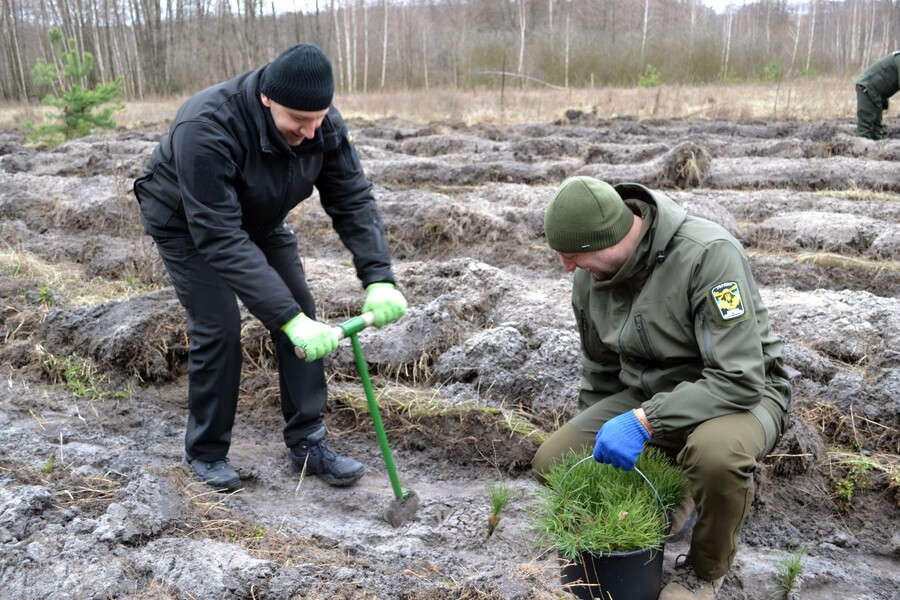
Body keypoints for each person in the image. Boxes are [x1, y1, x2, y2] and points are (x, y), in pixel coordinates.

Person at [133, 43, 407, 492]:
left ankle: (308, 442)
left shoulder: (321, 123)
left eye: (318, 118)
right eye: (298, 121)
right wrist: (287, 319)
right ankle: (204, 453)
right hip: (189, 222)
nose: (310, 130)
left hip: (260, 218)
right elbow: (218, 236)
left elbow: (352, 199)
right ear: (266, 98)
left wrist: (379, 276)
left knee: (301, 308)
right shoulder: (206, 125)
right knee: (219, 325)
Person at [532, 177, 791, 599]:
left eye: (573, 256)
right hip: (650, 394)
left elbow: (739, 377)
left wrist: (643, 421)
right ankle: (660, 506)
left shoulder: (708, 255)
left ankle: (706, 571)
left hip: (743, 393)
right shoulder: (590, 278)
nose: (567, 268)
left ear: (610, 238)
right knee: (554, 460)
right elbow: (599, 370)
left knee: (716, 458)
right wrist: (599, 451)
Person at [855, 51, 900, 140]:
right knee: (865, 130)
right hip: (867, 89)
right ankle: (862, 153)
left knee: (876, 129)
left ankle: (875, 152)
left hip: (876, 94)